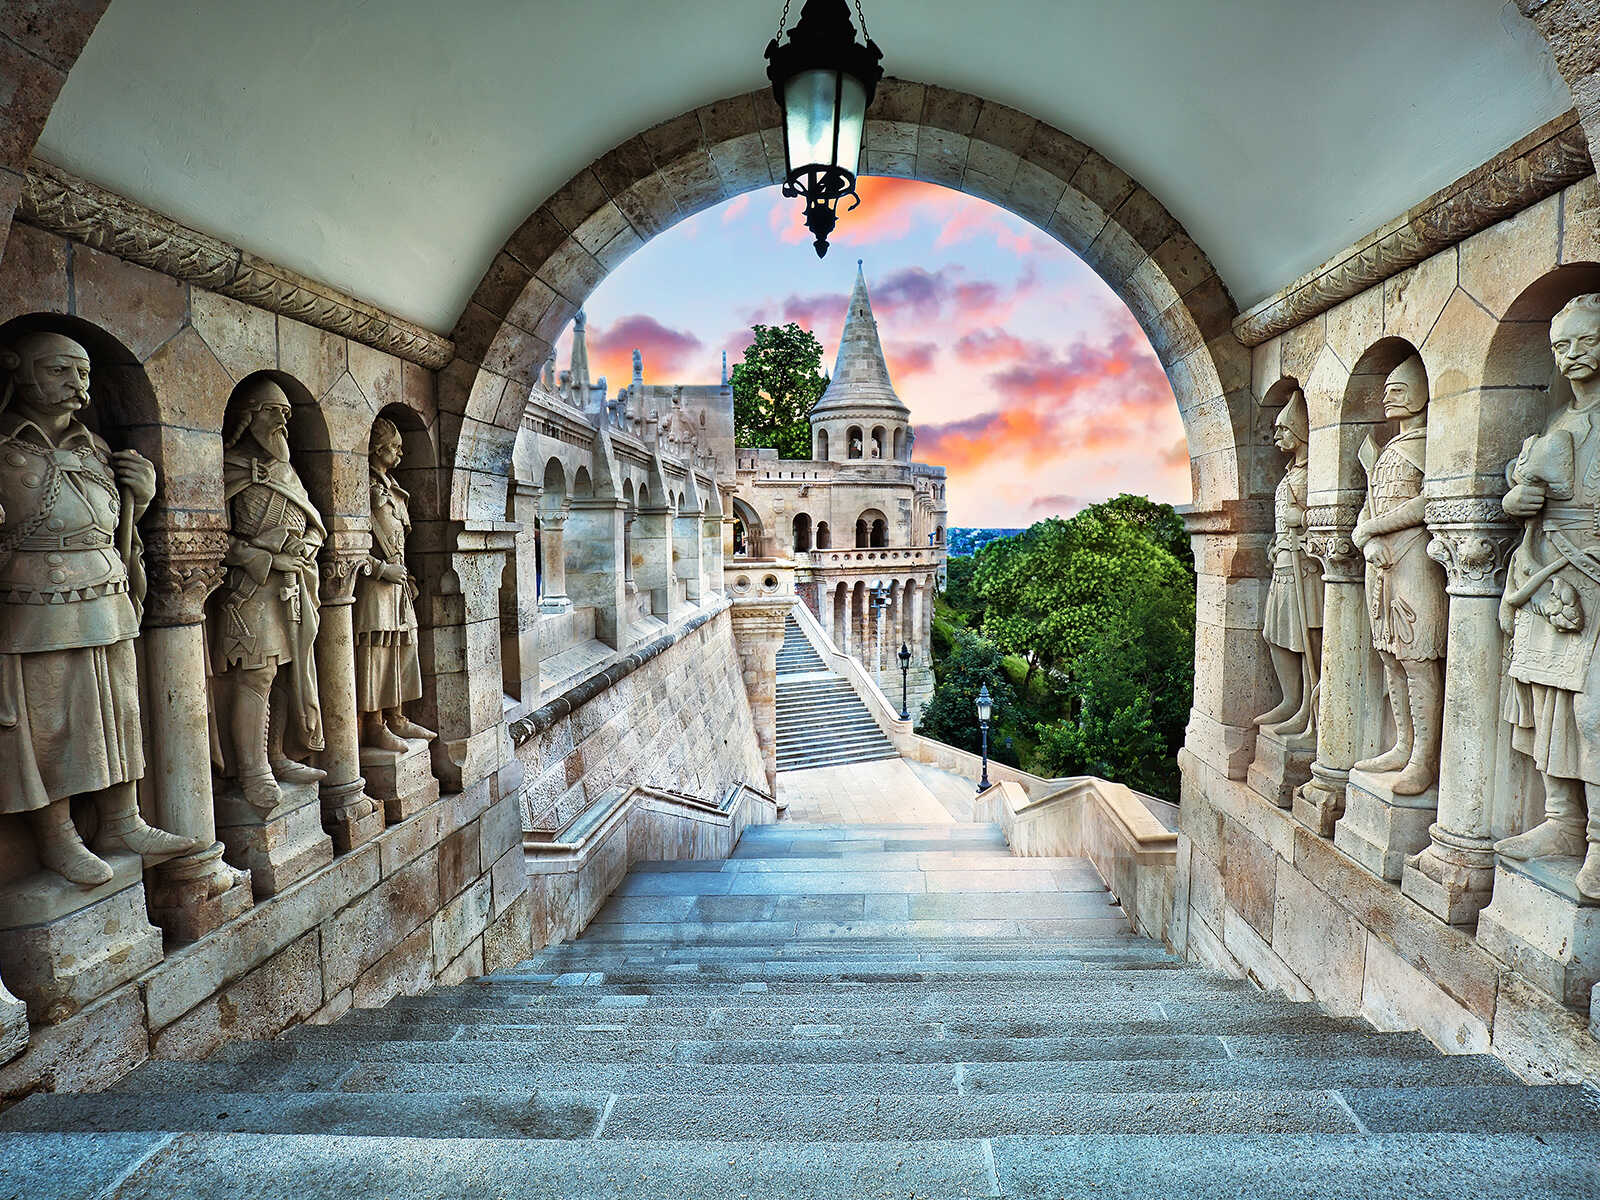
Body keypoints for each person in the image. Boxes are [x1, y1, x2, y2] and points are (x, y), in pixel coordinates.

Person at [0, 332, 192, 885]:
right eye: (59, 370)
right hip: (36, 602)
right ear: (19, 371)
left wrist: (143, 497)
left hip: (106, 595)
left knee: (117, 710)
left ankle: (122, 822)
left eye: (82, 373)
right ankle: (58, 836)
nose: (76, 384)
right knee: (48, 722)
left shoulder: (99, 450)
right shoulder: (3, 446)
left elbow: (112, 528)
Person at [1497, 293, 1600, 898]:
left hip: (1593, 577)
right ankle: (1563, 823)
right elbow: (1529, 499)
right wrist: (1517, 502)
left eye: (1587, 340)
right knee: (1548, 702)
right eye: (1562, 345)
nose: (1572, 355)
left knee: (1592, 711)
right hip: (1550, 575)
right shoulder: (1561, 418)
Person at [211, 378, 326, 812]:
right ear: (249, 415)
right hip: (249, 590)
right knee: (255, 675)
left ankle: (275, 755)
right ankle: (252, 769)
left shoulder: (286, 470)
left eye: (287, 414)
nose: (283, 420)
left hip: (291, 588)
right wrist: (265, 558)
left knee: (284, 673)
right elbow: (210, 538)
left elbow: (313, 523)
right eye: (273, 410)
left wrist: (306, 546)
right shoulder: (228, 468)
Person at [1351, 354, 1447, 795]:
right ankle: (1403, 744)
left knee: (1417, 658)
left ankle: (1424, 758)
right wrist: (1366, 537)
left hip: (1414, 562)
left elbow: (1427, 502)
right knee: (1389, 656)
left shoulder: (1430, 443)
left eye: (1398, 390)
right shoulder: (1388, 449)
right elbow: (1369, 503)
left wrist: (1373, 528)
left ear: (1422, 394)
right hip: (1380, 565)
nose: (1388, 398)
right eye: (1386, 390)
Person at [356, 418, 434, 751]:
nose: (401, 453)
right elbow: (348, 546)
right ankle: (374, 724)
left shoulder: (394, 488)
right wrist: (380, 570)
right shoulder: (360, 485)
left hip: (398, 586)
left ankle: (397, 717)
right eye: (395, 446)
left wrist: (406, 576)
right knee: (378, 652)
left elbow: (399, 542)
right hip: (374, 587)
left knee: (404, 646)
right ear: (377, 448)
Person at [1253, 389, 1322, 744]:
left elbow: (1331, 517)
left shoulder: (1316, 472)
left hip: (1304, 567)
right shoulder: (1290, 472)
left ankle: (1306, 708)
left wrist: (1304, 518)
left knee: (1306, 638)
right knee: (1275, 634)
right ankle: (1290, 700)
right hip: (1282, 562)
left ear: (1299, 431)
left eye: (1283, 429)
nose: (1277, 436)